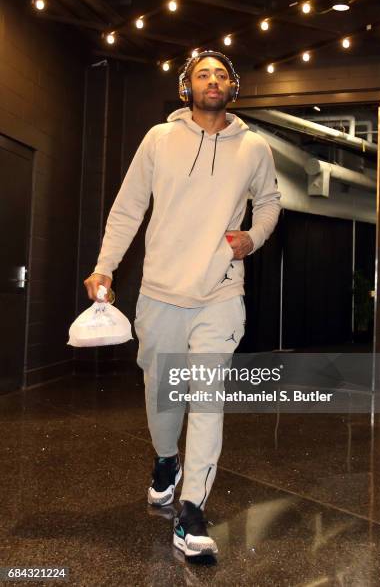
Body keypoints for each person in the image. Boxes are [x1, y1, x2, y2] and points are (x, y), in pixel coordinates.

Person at [84, 50, 281, 559]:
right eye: (202, 74)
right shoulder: (159, 140)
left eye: (221, 74)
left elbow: (270, 201)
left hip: (220, 291)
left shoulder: (254, 147)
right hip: (161, 293)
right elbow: (129, 207)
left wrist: (253, 237)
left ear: (233, 87)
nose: (212, 81)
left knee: (208, 399)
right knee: (162, 396)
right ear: (186, 87)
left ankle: (191, 512)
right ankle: (166, 459)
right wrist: (105, 266)